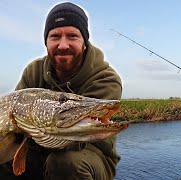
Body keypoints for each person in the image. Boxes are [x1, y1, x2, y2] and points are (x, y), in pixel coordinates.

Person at [0, 2, 122, 180]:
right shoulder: (33, 71)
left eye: (72, 36)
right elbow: (18, 122)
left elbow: (82, 137)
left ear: (85, 42)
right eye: (55, 36)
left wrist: (36, 130)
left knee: (65, 163)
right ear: (46, 42)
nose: (63, 45)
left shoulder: (105, 79)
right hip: (35, 148)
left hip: (90, 157)